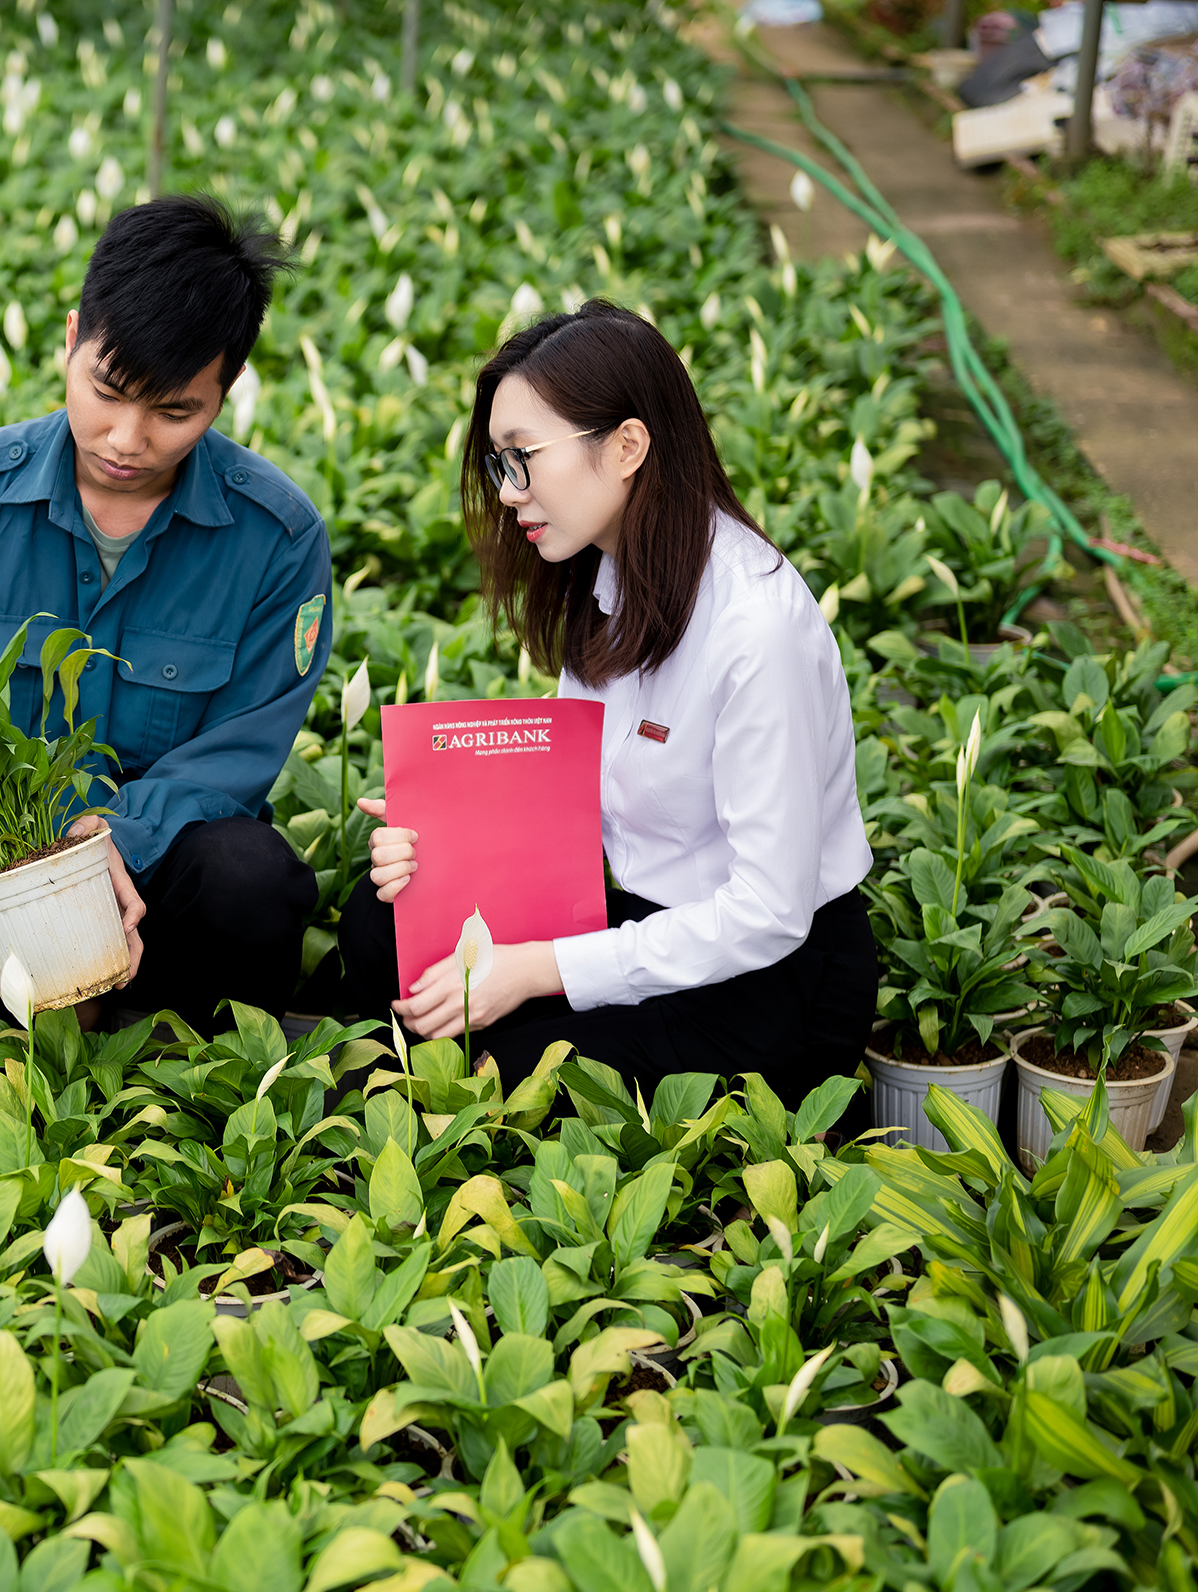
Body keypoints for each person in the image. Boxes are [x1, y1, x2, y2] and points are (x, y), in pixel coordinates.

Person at [0, 195, 328, 1028]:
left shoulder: (277, 538)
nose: (126, 437)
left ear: (226, 390)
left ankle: (171, 1042)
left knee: (251, 878)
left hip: (156, 878)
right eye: (107, 390)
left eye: (174, 411)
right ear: (72, 337)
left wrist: (111, 841)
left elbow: (233, 758)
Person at [342, 300, 877, 1105]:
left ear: (627, 445)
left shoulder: (756, 628)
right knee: (378, 920)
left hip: (771, 978)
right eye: (498, 463)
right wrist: (447, 830)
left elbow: (769, 911)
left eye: (524, 457)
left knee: (509, 1065)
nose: (508, 491)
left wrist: (538, 969)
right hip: (639, 921)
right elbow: (582, 798)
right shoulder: (607, 575)